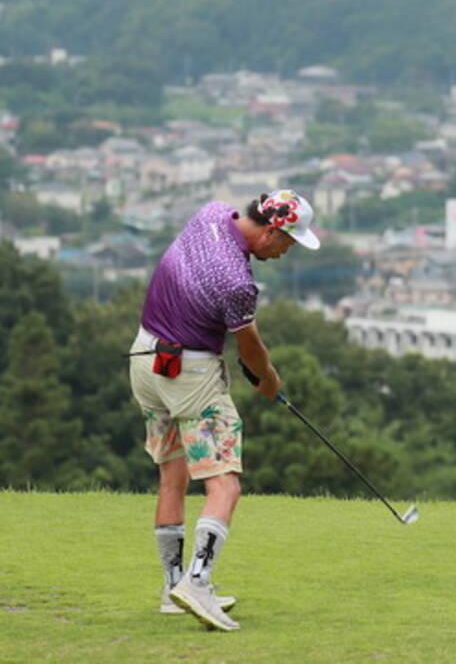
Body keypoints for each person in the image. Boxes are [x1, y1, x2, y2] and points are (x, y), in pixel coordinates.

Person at [128, 189, 320, 631]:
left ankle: (173, 589)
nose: (283, 254)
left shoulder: (211, 213)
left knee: (172, 476)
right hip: (189, 374)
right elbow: (251, 349)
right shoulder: (238, 283)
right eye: (287, 244)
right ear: (272, 231)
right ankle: (197, 582)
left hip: (145, 358)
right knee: (225, 484)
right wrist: (269, 380)